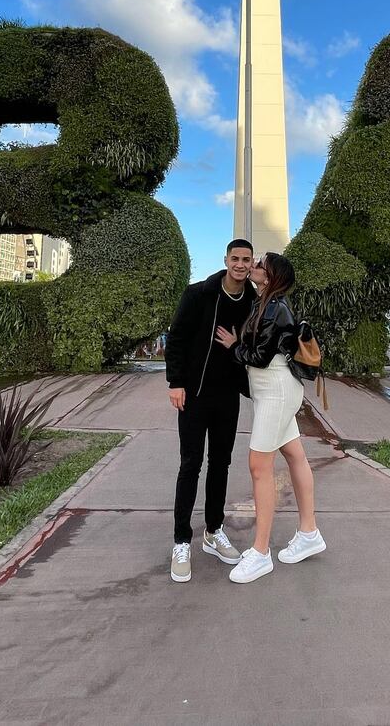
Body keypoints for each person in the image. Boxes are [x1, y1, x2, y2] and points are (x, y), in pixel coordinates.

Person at [215, 252, 325, 584]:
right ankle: (309, 533)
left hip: (276, 390)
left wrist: (235, 345)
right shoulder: (266, 303)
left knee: (259, 467)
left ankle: (260, 553)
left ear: (271, 275)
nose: (254, 267)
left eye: (261, 264)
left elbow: (260, 357)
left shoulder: (276, 309)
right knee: (295, 456)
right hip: (271, 391)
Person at [166, 239, 255, 583]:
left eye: (246, 260)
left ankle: (214, 531)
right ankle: (181, 540)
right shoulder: (199, 294)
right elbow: (176, 340)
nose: (240, 265)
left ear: (251, 264)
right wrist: (176, 382)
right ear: (226, 260)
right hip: (194, 395)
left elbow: (257, 345)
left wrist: (238, 347)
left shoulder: (252, 301)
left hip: (226, 398)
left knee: (221, 464)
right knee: (190, 464)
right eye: (235, 258)